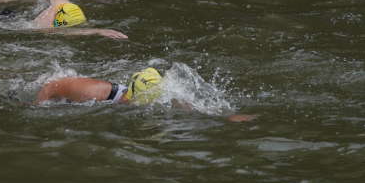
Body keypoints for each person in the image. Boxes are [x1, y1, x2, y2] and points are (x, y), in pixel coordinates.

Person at [36, 67, 257, 121]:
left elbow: (194, 109)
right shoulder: (92, 92)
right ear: (133, 99)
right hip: (56, 89)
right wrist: (37, 107)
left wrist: (226, 117)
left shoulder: (162, 94)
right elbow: (52, 86)